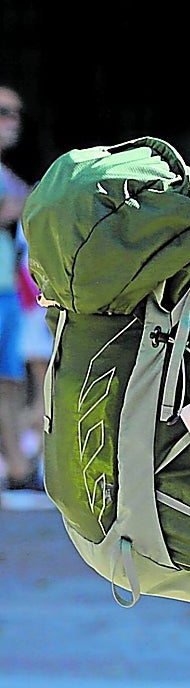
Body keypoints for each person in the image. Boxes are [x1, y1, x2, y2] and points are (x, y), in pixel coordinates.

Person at [0, 85, 36, 500]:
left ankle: (17, 466)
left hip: (7, 291)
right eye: (4, 113)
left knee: (9, 381)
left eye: (15, 113)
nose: (13, 122)